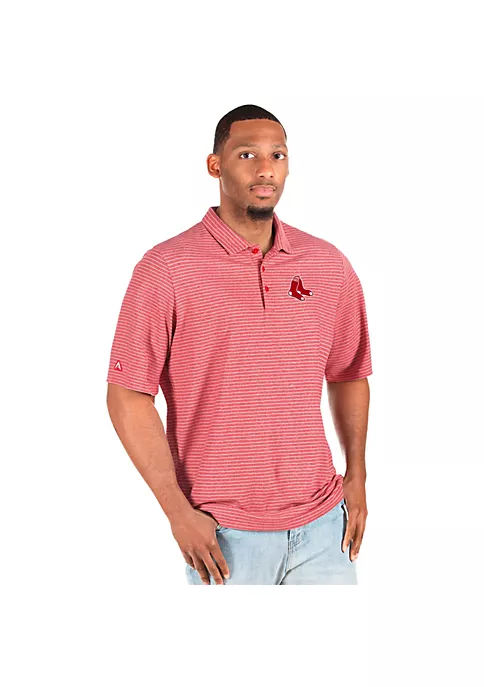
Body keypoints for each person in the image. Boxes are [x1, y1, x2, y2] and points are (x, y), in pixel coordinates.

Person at [106, 104, 373, 585]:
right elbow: (128, 394)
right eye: (247, 154)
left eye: (278, 155)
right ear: (215, 165)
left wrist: (357, 475)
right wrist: (177, 513)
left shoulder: (327, 263)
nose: (266, 169)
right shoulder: (167, 268)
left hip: (324, 528)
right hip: (222, 535)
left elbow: (349, 372)